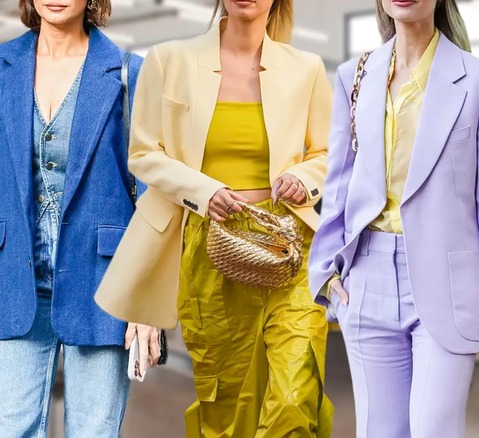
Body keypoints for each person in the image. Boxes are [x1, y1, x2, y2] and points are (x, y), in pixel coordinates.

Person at [95, 1, 334, 436]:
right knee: (225, 401)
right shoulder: (171, 61)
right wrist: (205, 193)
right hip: (212, 250)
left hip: (289, 248)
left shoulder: (307, 69)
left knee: (295, 392)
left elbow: (325, 152)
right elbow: (144, 154)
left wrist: (302, 178)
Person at [309, 1, 479, 437]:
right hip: (365, 280)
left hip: (449, 284)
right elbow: (339, 185)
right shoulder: (354, 76)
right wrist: (326, 272)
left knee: (434, 429)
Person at [0, 0, 151, 436]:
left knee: (94, 432)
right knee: (6, 431)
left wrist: (146, 302)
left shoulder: (130, 72)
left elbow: (152, 201)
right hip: (10, 281)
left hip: (103, 286)